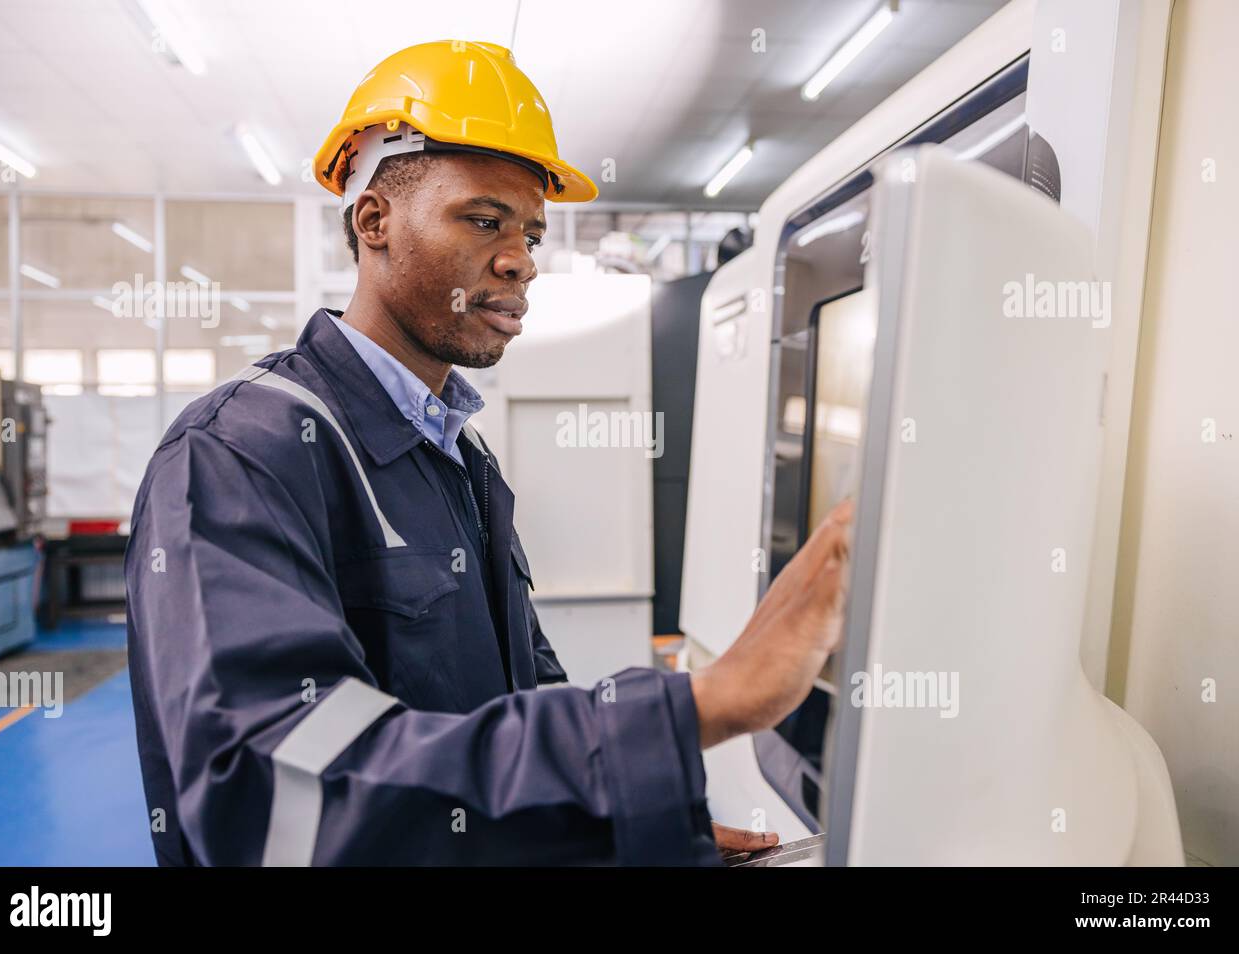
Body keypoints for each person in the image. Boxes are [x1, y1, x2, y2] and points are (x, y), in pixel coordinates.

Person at [125, 40, 854, 866]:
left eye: (532, 232)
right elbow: (268, 798)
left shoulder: (461, 460)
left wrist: (629, 822)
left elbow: (512, 707)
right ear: (375, 223)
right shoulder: (237, 456)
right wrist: (699, 707)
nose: (522, 261)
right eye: (483, 221)